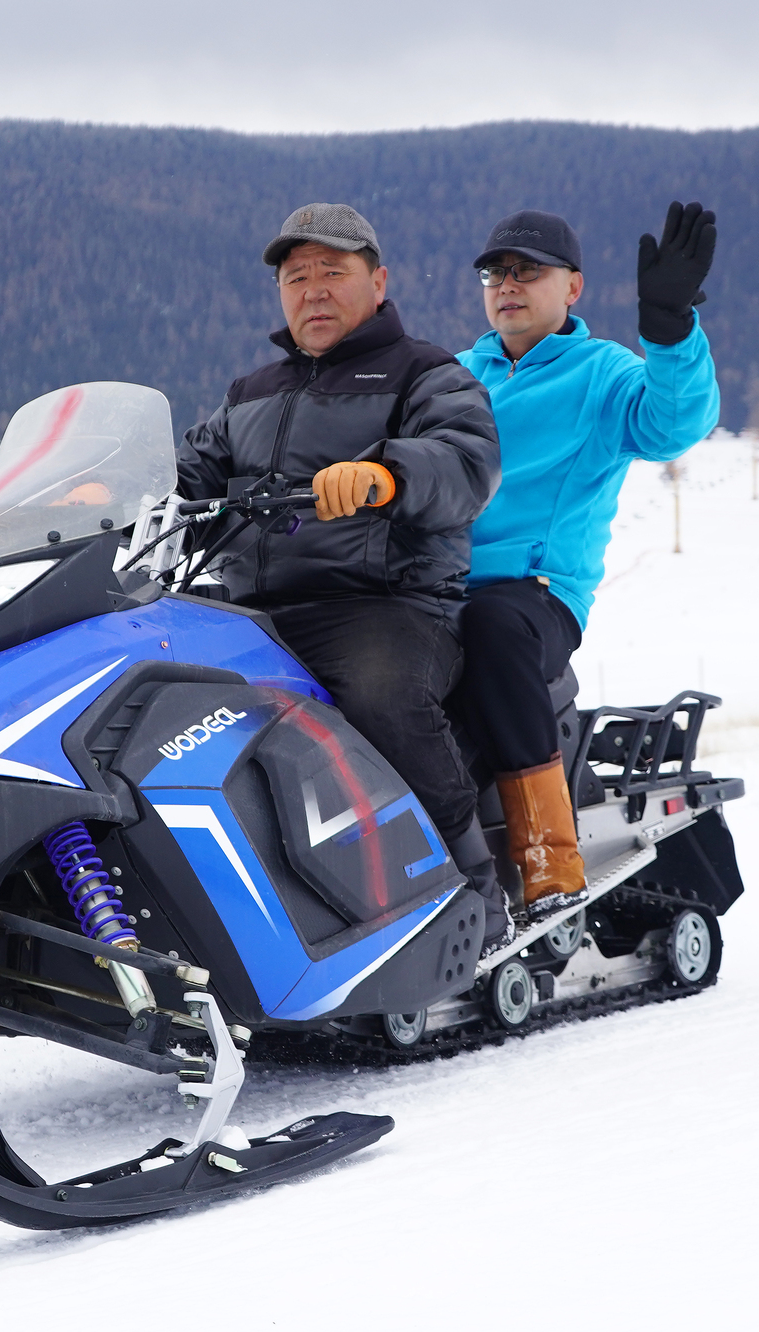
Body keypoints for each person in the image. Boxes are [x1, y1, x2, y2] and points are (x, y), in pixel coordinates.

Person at [177, 202, 505, 920]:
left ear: (379, 281)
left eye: (333, 271)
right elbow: (187, 478)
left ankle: (472, 886)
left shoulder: (427, 372)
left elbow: (467, 460)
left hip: (385, 605)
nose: (313, 290)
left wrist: (388, 474)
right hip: (255, 614)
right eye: (297, 277)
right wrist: (110, 495)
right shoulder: (250, 396)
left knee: (381, 694)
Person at [454, 203, 720, 938]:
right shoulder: (454, 375)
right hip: (432, 587)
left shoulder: (601, 374)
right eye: (495, 272)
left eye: (527, 271)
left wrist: (669, 326)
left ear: (572, 288)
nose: (507, 284)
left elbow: (673, 424)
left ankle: (549, 860)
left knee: (492, 626)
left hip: (533, 597)